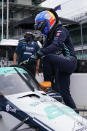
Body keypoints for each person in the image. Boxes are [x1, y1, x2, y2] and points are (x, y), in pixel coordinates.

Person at [34, 9, 77, 109]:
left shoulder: (61, 30)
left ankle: (47, 86)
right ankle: (76, 113)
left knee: (46, 58)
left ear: (49, 21)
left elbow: (55, 45)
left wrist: (40, 53)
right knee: (64, 93)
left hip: (70, 61)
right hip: (62, 65)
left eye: (42, 26)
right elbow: (44, 49)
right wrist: (34, 52)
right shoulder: (49, 35)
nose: (41, 29)